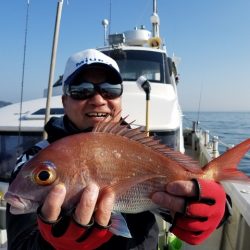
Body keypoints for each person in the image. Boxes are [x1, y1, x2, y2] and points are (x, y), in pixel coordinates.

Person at [6, 49, 229, 250]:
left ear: (120, 99)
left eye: (109, 89)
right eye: (81, 90)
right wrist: (54, 245)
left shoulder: (143, 145)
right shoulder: (35, 158)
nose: (98, 100)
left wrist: (212, 204)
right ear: (64, 101)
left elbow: (181, 198)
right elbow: (20, 244)